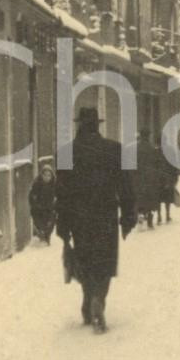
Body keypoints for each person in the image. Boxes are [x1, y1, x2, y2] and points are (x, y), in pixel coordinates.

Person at [55, 107, 136, 333]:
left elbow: (61, 193)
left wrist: (62, 224)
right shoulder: (114, 150)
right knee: (105, 261)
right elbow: (125, 186)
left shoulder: (66, 153)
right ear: (97, 125)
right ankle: (98, 299)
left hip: (78, 217)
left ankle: (88, 298)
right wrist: (128, 215)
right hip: (106, 214)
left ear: (79, 124)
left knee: (85, 258)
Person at [132, 128, 160, 229]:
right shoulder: (152, 149)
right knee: (151, 198)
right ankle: (150, 221)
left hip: (138, 178)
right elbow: (157, 165)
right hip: (150, 178)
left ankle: (140, 216)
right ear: (148, 136)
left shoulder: (135, 149)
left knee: (140, 198)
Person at [28, 164, 56, 244]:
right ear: (42, 175)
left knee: (51, 221)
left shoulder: (54, 184)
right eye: (45, 175)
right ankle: (40, 232)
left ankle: (47, 235)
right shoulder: (37, 184)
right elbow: (31, 196)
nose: (47, 177)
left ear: (51, 176)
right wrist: (35, 204)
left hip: (50, 207)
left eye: (49, 175)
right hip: (39, 207)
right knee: (39, 222)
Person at [156, 140, 180, 223]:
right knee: (167, 198)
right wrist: (176, 177)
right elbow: (174, 165)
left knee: (158, 198)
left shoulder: (155, 151)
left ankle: (159, 216)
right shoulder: (170, 151)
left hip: (158, 179)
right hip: (168, 178)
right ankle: (167, 215)